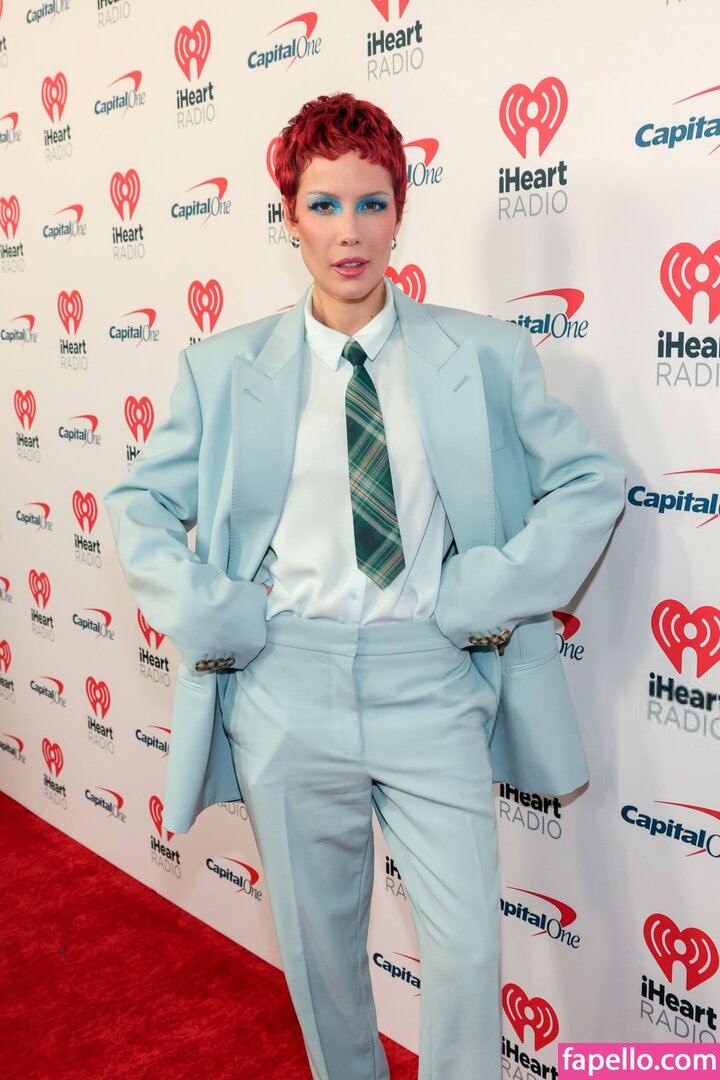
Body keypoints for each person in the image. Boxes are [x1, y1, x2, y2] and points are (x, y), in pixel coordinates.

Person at [105, 92, 625, 1080]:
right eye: (325, 204)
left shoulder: (485, 354)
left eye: (371, 203)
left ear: (400, 212)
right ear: (290, 216)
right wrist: (221, 614)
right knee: (323, 967)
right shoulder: (222, 368)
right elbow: (139, 504)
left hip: (430, 683)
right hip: (285, 689)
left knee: (466, 957)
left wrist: (484, 593)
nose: (350, 232)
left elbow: (590, 484)